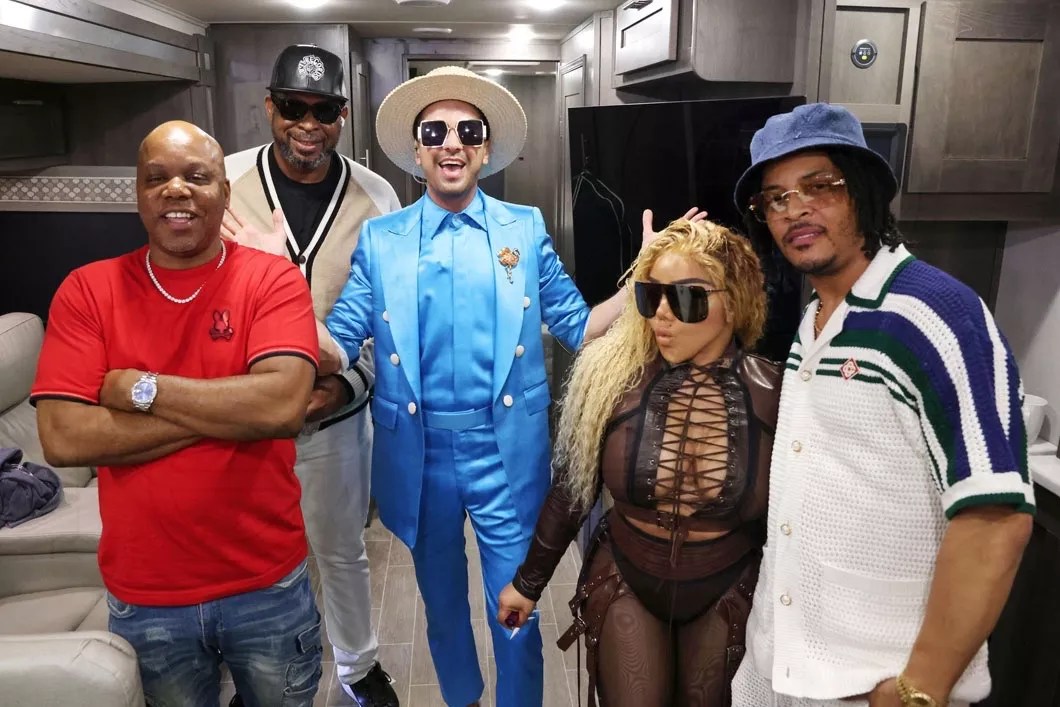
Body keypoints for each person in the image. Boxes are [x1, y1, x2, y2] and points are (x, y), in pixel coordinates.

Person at [324, 66, 703, 707]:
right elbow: (339, 338)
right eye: (435, 132)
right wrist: (272, 288)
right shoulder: (382, 240)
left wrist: (644, 275)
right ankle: (462, 699)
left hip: (505, 452)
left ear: (485, 148)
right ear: (416, 151)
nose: (452, 144)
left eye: (467, 132)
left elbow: (580, 327)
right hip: (419, 454)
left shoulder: (523, 230)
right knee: (443, 609)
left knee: (516, 609)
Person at [728, 103, 1035, 707]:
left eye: (820, 186)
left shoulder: (936, 313)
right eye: (776, 198)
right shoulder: (816, 321)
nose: (795, 210)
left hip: (876, 678)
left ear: (864, 193)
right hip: (784, 660)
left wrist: (921, 687)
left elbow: (995, 518)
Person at [31, 121, 325, 706]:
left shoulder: (272, 278)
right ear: (139, 193)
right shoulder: (87, 291)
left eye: (196, 176)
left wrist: (137, 389)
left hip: (266, 581)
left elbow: (281, 405)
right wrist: (230, 408)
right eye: (156, 178)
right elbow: (64, 438)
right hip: (147, 595)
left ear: (223, 190)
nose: (176, 190)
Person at [497, 218, 782, 706]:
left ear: (733, 303)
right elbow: (573, 491)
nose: (662, 315)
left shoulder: (776, 394)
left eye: (686, 298)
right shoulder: (614, 381)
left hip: (729, 586)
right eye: (651, 297)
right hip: (627, 575)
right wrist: (528, 584)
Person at [222, 43, 401, 707]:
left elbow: (389, 321)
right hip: (243, 415)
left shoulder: (376, 195)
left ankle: (357, 666)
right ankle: (254, 673)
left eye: (323, 110)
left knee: (340, 548)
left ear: (342, 116)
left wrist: (340, 388)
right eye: (293, 107)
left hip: (337, 415)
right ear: (269, 107)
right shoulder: (227, 180)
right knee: (251, 553)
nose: (308, 123)